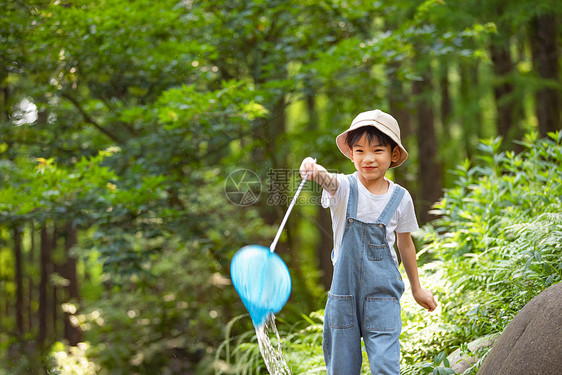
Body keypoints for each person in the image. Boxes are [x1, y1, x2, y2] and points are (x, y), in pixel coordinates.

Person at [299, 109, 437, 375]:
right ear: (350, 154)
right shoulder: (343, 188)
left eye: (377, 150)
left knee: (386, 367)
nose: (368, 159)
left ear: (393, 154)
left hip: (383, 297)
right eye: (359, 151)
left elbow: (405, 244)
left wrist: (417, 289)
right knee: (342, 368)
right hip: (343, 298)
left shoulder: (401, 198)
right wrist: (313, 169)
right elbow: (328, 180)